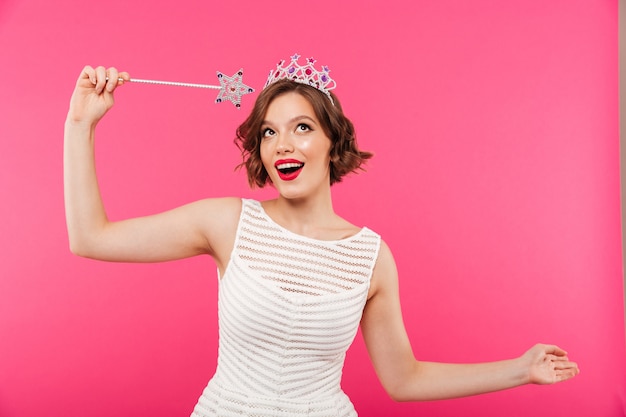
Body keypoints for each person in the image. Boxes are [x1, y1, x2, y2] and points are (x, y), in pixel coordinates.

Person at [64, 56, 579, 417]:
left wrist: (520, 369)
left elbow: (404, 380)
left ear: (334, 141)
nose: (282, 144)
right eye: (269, 131)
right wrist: (80, 125)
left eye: (302, 127)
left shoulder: (372, 257)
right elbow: (91, 237)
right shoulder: (226, 222)